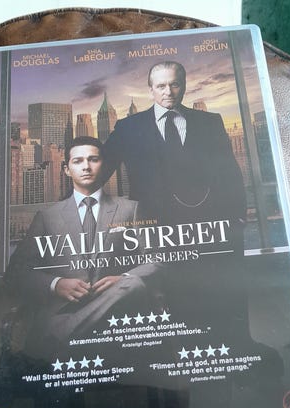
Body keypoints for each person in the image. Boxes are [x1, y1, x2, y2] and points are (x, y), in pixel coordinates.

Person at [104, 61, 249, 342]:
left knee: (220, 299)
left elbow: (230, 172)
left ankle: (234, 347)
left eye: (174, 84)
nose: (168, 91)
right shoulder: (127, 127)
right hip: (156, 231)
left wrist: (238, 216)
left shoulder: (210, 122)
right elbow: (101, 169)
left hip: (208, 226)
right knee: (169, 303)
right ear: (150, 90)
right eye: (161, 85)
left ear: (183, 86)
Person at [4, 136, 160, 359]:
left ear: (104, 165)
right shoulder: (47, 217)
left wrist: (122, 279)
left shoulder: (131, 209)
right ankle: (66, 332)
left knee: (132, 284)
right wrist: (56, 284)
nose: (86, 166)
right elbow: (17, 272)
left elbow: (157, 259)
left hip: (114, 319)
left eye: (93, 159)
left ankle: (58, 337)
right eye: (78, 161)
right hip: (63, 312)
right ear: (67, 170)